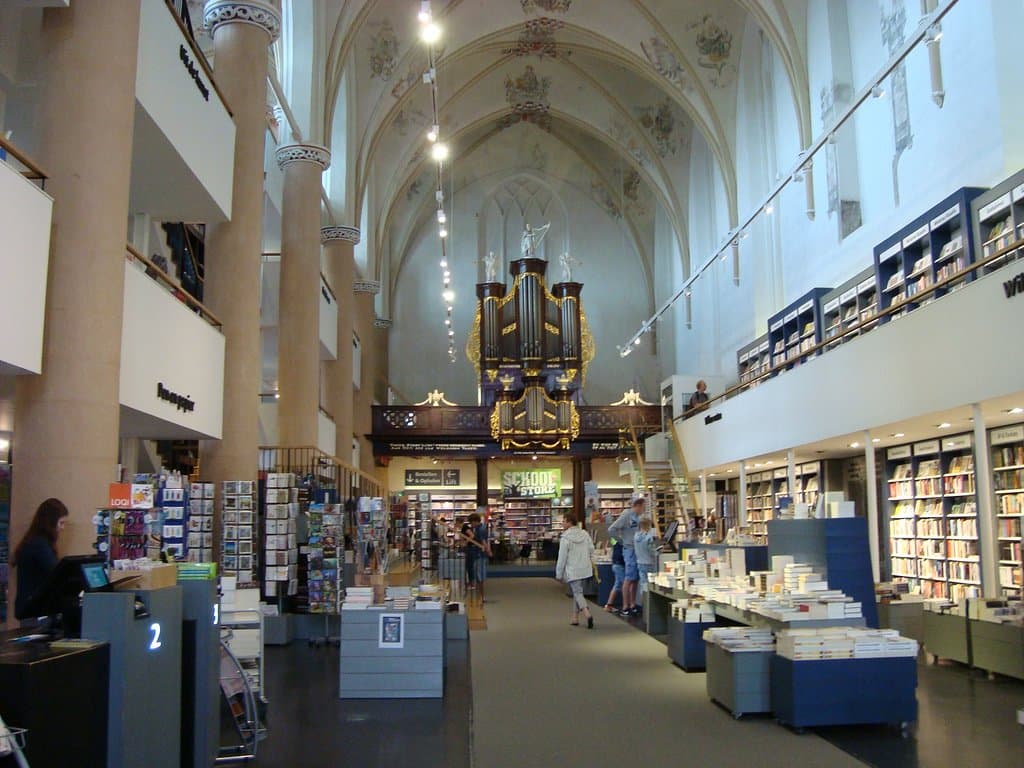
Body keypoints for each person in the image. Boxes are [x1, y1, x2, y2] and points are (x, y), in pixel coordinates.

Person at [13, 498, 69, 621]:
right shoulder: (39, 545)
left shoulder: (34, 542)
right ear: (51, 523)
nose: (63, 528)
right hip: (35, 611)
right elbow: (56, 574)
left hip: (31, 608)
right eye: (61, 523)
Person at [555, 511, 595, 629]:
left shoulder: (565, 538)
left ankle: (587, 614)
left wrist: (559, 573)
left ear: (569, 522)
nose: (562, 523)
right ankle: (575, 617)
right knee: (578, 592)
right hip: (585, 568)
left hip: (573, 569)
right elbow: (591, 549)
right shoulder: (585, 534)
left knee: (577, 593)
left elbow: (562, 557)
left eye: (563, 521)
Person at [606, 497, 644, 617]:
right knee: (628, 578)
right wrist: (621, 541)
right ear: (637, 505)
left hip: (637, 549)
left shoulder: (638, 518)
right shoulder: (626, 515)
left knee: (635, 578)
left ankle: (632, 605)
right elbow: (611, 529)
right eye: (643, 507)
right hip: (629, 550)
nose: (644, 509)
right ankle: (625, 606)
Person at [463, 511, 491, 601]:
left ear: (475, 521)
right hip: (478, 554)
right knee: (479, 576)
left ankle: (481, 597)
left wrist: (488, 550)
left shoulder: (480, 529)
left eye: (471, 522)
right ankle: (480, 596)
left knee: (480, 576)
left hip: (480, 555)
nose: (471, 525)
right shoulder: (479, 528)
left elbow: (483, 541)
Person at [634, 518, 658, 595]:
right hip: (649, 563)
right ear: (648, 526)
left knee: (643, 583)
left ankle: (644, 601)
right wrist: (657, 551)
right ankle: (650, 601)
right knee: (652, 583)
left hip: (640, 562)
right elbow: (651, 551)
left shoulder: (635, 536)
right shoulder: (648, 537)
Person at [604, 537, 625, 612]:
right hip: (620, 564)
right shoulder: (623, 539)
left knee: (617, 584)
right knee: (624, 585)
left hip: (615, 563)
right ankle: (625, 607)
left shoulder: (613, 538)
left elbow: (611, 544)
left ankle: (609, 605)